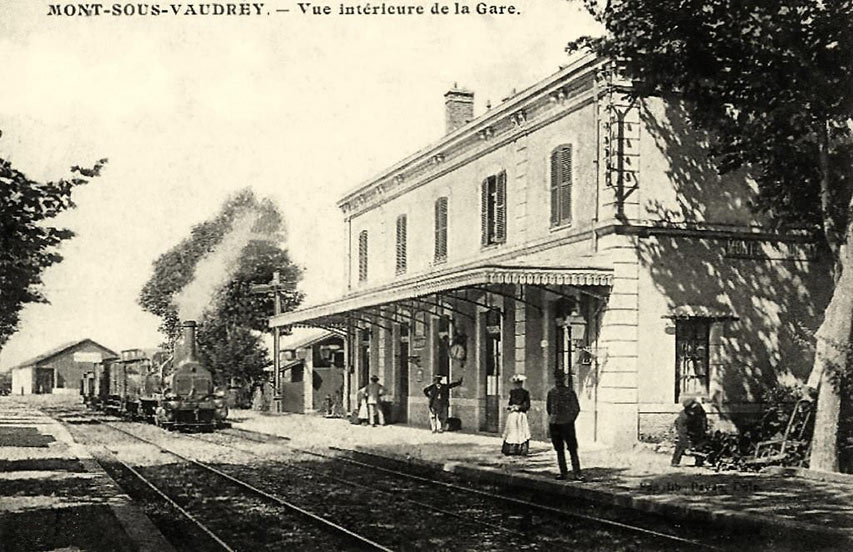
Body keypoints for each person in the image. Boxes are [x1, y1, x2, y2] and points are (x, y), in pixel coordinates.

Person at [547, 370, 583, 481]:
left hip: (566, 424)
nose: (559, 381)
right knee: (559, 449)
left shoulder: (569, 392)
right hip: (556, 424)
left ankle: (577, 473)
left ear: (564, 379)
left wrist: (569, 419)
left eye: (560, 378)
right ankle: (564, 472)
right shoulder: (552, 392)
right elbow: (549, 408)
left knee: (572, 449)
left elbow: (576, 409)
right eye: (557, 378)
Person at [671, 397, 708, 466]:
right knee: (681, 444)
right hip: (685, 428)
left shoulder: (699, 409)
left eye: (695, 408)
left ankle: (699, 461)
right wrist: (687, 444)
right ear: (688, 410)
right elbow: (682, 432)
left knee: (700, 442)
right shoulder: (683, 417)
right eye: (692, 410)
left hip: (696, 427)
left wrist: (704, 430)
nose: (695, 410)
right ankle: (675, 461)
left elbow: (704, 419)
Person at [502, 374, 532, 455]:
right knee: (512, 431)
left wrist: (519, 407)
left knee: (522, 432)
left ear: (521, 383)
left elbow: (527, 405)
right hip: (513, 415)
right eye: (516, 383)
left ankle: (521, 449)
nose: (517, 385)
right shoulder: (512, 392)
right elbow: (510, 403)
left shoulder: (525, 393)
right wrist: (511, 407)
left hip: (521, 415)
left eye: (519, 383)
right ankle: (511, 449)